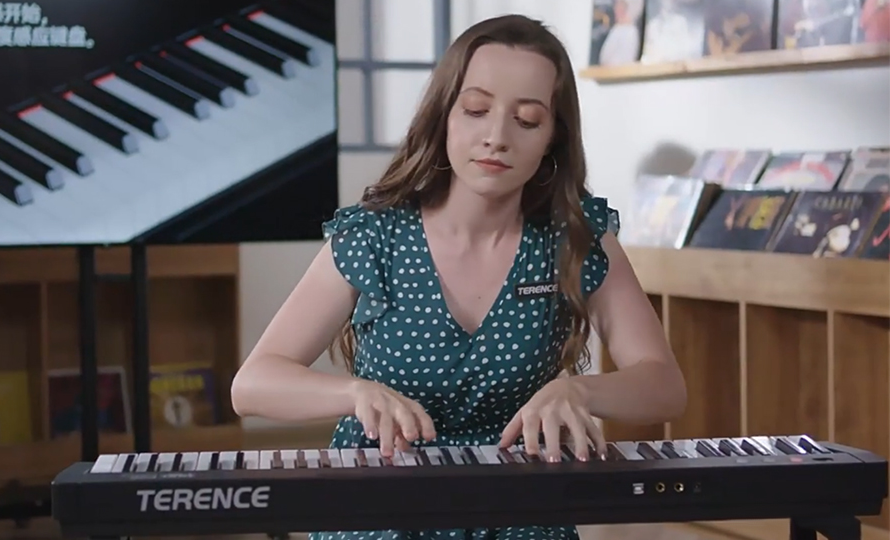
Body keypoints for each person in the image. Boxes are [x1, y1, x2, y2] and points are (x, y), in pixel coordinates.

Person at [231, 13, 686, 540]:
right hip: (377, 515)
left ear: (552, 139)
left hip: (520, 517)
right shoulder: (375, 237)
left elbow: (664, 385)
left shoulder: (576, 239)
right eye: (475, 110)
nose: (496, 137)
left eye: (527, 120)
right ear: (444, 115)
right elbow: (253, 385)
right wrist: (355, 394)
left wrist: (581, 392)